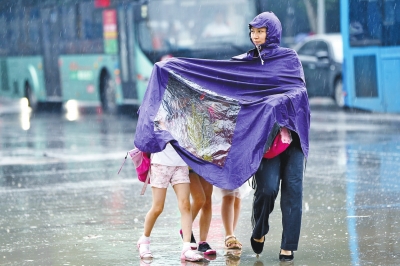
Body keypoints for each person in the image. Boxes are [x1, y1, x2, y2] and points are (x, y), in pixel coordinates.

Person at [238, 12, 308, 262]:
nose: (256, 36)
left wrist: (276, 102)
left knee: (293, 191)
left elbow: (300, 91)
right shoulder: (247, 62)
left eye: (261, 31)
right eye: (253, 31)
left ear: (272, 32)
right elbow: (238, 93)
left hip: (294, 137)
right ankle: (259, 229)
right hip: (266, 139)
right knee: (266, 189)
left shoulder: (289, 58)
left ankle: (288, 244)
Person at [136, 143, 204, 262]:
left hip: (181, 164)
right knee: (158, 207)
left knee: (185, 205)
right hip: (160, 164)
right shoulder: (155, 122)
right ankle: (144, 241)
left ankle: (187, 248)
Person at [179, 169, 216, 256]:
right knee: (199, 199)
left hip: (206, 161)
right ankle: (185, 229)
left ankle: (203, 243)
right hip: (189, 164)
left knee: (207, 201)